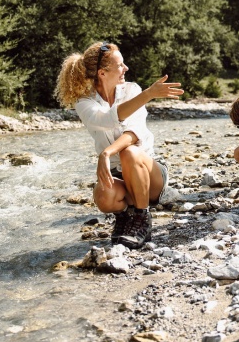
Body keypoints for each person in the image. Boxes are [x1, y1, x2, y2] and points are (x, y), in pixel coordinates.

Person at [55, 42, 184, 249]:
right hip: (120, 176)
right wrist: (149, 95)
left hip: (150, 175)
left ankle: (142, 219)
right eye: (120, 65)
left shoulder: (133, 91)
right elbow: (107, 119)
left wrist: (106, 153)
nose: (126, 68)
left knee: (130, 153)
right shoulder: (84, 102)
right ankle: (125, 217)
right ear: (102, 73)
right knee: (103, 196)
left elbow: (133, 134)